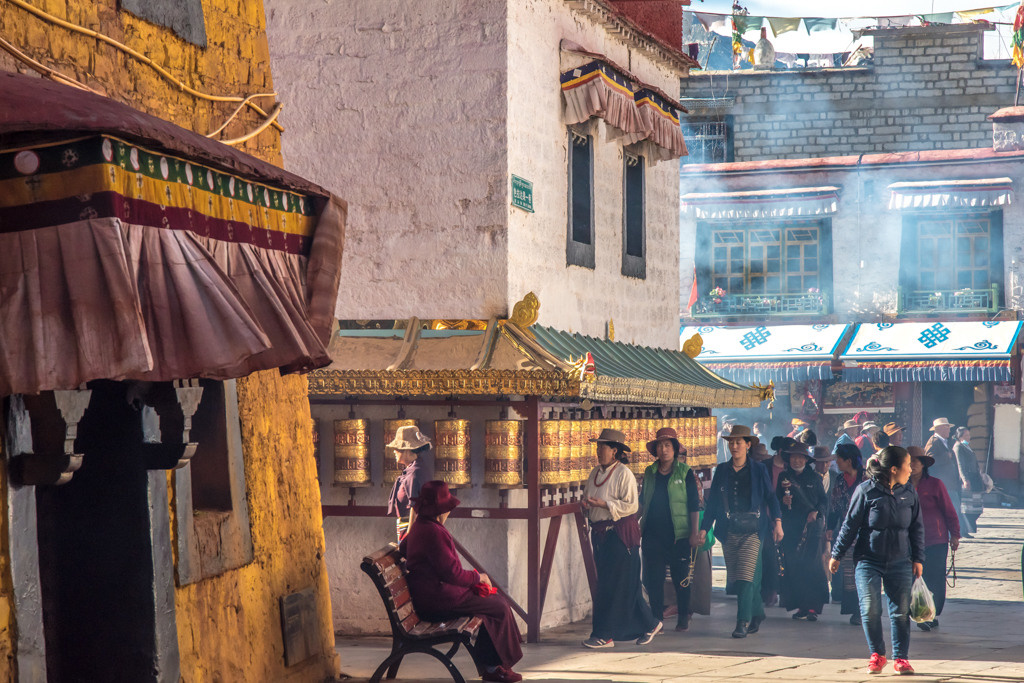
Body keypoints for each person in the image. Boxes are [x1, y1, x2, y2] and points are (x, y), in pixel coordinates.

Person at [401, 481, 523, 683]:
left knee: (493, 603)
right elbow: (453, 574)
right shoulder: (433, 531)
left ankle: (493, 666)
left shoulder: (420, 525)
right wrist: (478, 577)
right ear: (441, 511)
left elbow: (404, 549)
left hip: (431, 595)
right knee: (498, 607)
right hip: (437, 600)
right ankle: (493, 669)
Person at [830, 447, 925, 676]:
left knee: (900, 612)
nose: (911, 469)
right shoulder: (866, 491)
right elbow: (850, 525)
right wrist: (836, 554)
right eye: (907, 465)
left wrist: (918, 558)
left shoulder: (909, 492)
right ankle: (877, 654)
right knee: (870, 609)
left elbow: (917, 527)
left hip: (901, 561)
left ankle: (901, 658)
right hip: (868, 560)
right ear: (893, 469)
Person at [699, 425, 784, 638]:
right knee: (739, 578)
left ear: (747, 445)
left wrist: (778, 522)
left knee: (746, 576)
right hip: (728, 529)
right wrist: (704, 528)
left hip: (753, 530)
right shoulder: (722, 470)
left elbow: (771, 497)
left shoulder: (759, 469)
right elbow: (713, 502)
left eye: (738, 442)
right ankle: (757, 612)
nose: (734, 446)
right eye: (731, 442)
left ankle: (742, 621)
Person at [582, 428, 662, 648]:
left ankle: (605, 634)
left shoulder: (623, 473)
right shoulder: (595, 473)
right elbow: (589, 497)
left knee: (616, 586)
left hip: (619, 536)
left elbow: (631, 506)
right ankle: (651, 623)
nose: (598, 451)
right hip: (600, 535)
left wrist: (605, 504)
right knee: (613, 585)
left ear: (614, 451)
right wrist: (587, 506)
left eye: (603, 447)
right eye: (598, 447)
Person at [639, 428, 701, 632]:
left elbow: (693, 504)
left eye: (667, 445)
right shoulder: (650, 472)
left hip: (679, 535)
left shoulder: (685, 472)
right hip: (652, 534)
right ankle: (656, 619)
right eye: (660, 445)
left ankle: (683, 616)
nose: (663, 449)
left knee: (681, 578)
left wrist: (693, 532)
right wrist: (633, 524)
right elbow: (643, 501)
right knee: (653, 579)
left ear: (674, 449)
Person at [908, 446, 960, 632]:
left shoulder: (936, 485)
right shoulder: (900, 485)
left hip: (935, 539)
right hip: (909, 541)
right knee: (913, 577)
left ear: (923, 464)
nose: (912, 465)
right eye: (909, 461)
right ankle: (919, 611)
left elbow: (949, 511)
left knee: (934, 577)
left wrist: (955, 534)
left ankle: (930, 613)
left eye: (915, 461)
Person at [776, 442, 828, 621]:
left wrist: (816, 512)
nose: (796, 460)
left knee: (811, 566)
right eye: (793, 457)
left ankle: (813, 607)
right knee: (794, 566)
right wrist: (782, 501)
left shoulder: (814, 478)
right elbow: (775, 500)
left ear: (806, 460)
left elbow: (823, 501)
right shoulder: (783, 477)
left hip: (811, 529)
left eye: (800, 457)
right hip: (790, 528)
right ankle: (801, 606)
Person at [827, 443, 865, 624]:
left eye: (839, 460)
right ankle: (855, 610)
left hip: (866, 532)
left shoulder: (867, 478)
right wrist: (830, 527)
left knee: (864, 570)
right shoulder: (840, 480)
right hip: (847, 531)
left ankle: (865, 609)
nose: (837, 463)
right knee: (849, 571)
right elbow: (834, 506)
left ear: (848, 461)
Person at [926, 418, 972, 539]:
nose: (949, 430)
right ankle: (954, 533)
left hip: (949, 483)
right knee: (953, 509)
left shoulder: (945, 442)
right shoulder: (934, 442)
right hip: (943, 483)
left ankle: (957, 532)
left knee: (954, 508)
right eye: (946, 427)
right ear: (939, 429)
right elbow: (929, 460)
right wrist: (946, 457)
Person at [385, 425, 433, 541]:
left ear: (407, 450)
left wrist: (410, 538)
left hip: (413, 531)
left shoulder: (415, 473)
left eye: (397, 448)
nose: (394, 451)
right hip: (409, 529)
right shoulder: (414, 469)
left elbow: (415, 507)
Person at [954, 427, 984, 534]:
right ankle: (965, 529)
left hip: (974, 478)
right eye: (966, 435)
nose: (968, 437)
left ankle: (968, 528)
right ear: (960, 437)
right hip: (968, 479)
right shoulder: (958, 447)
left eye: (969, 435)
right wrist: (965, 479)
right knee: (969, 508)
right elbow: (960, 464)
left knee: (977, 506)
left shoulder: (966, 446)